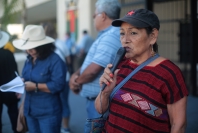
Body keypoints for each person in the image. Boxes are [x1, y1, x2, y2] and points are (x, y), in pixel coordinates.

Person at [95, 9, 189, 133]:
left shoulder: (169, 73)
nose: (125, 39)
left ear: (153, 36)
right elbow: (100, 109)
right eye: (122, 33)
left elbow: (178, 124)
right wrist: (105, 93)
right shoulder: (119, 64)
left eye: (133, 33)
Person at [69, 0, 121, 131]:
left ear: (103, 15)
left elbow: (94, 69)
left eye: (95, 14)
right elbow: (91, 61)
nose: (93, 17)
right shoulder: (106, 35)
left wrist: (77, 82)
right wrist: (76, 75)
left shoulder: (110, 36)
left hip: (100, 103)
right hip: (96, 101)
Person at [13, 25, 67, 133]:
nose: (29, 50)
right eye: (27, 47)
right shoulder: (29, 59)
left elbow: (58, 85)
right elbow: (26, 76)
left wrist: (36, 86)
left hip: (48, 113)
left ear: (43, 46)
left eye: (33, 47)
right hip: (30, 110)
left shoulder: (55, 60)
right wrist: (20, 84)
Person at [42, 22, 71, 133]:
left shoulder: (44, 46)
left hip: (50, 80)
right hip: (65, 78)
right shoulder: (61, 43)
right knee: (64, 103)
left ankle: (56, 127)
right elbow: (69, 60)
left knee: (53, 104)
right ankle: (66, 128)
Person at [0, 29, 21, 133]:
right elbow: (14, 72)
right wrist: (18, 88)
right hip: (10, 88)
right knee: (14, 115)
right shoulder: (8, 54)